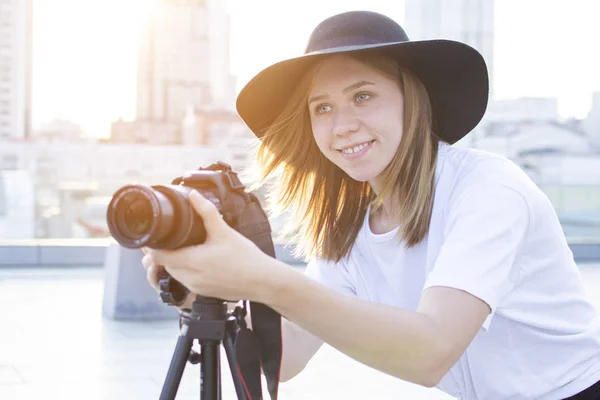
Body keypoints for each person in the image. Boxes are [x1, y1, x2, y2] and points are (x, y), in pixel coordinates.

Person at [142, 10, 600, 400]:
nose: (342, 125)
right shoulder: (350, 225)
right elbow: (287, 357)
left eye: (363, 96)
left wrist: (262, 276)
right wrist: (207, 286)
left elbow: (432, 352)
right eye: (321, 108)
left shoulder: (489, 189)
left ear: (411, 101)